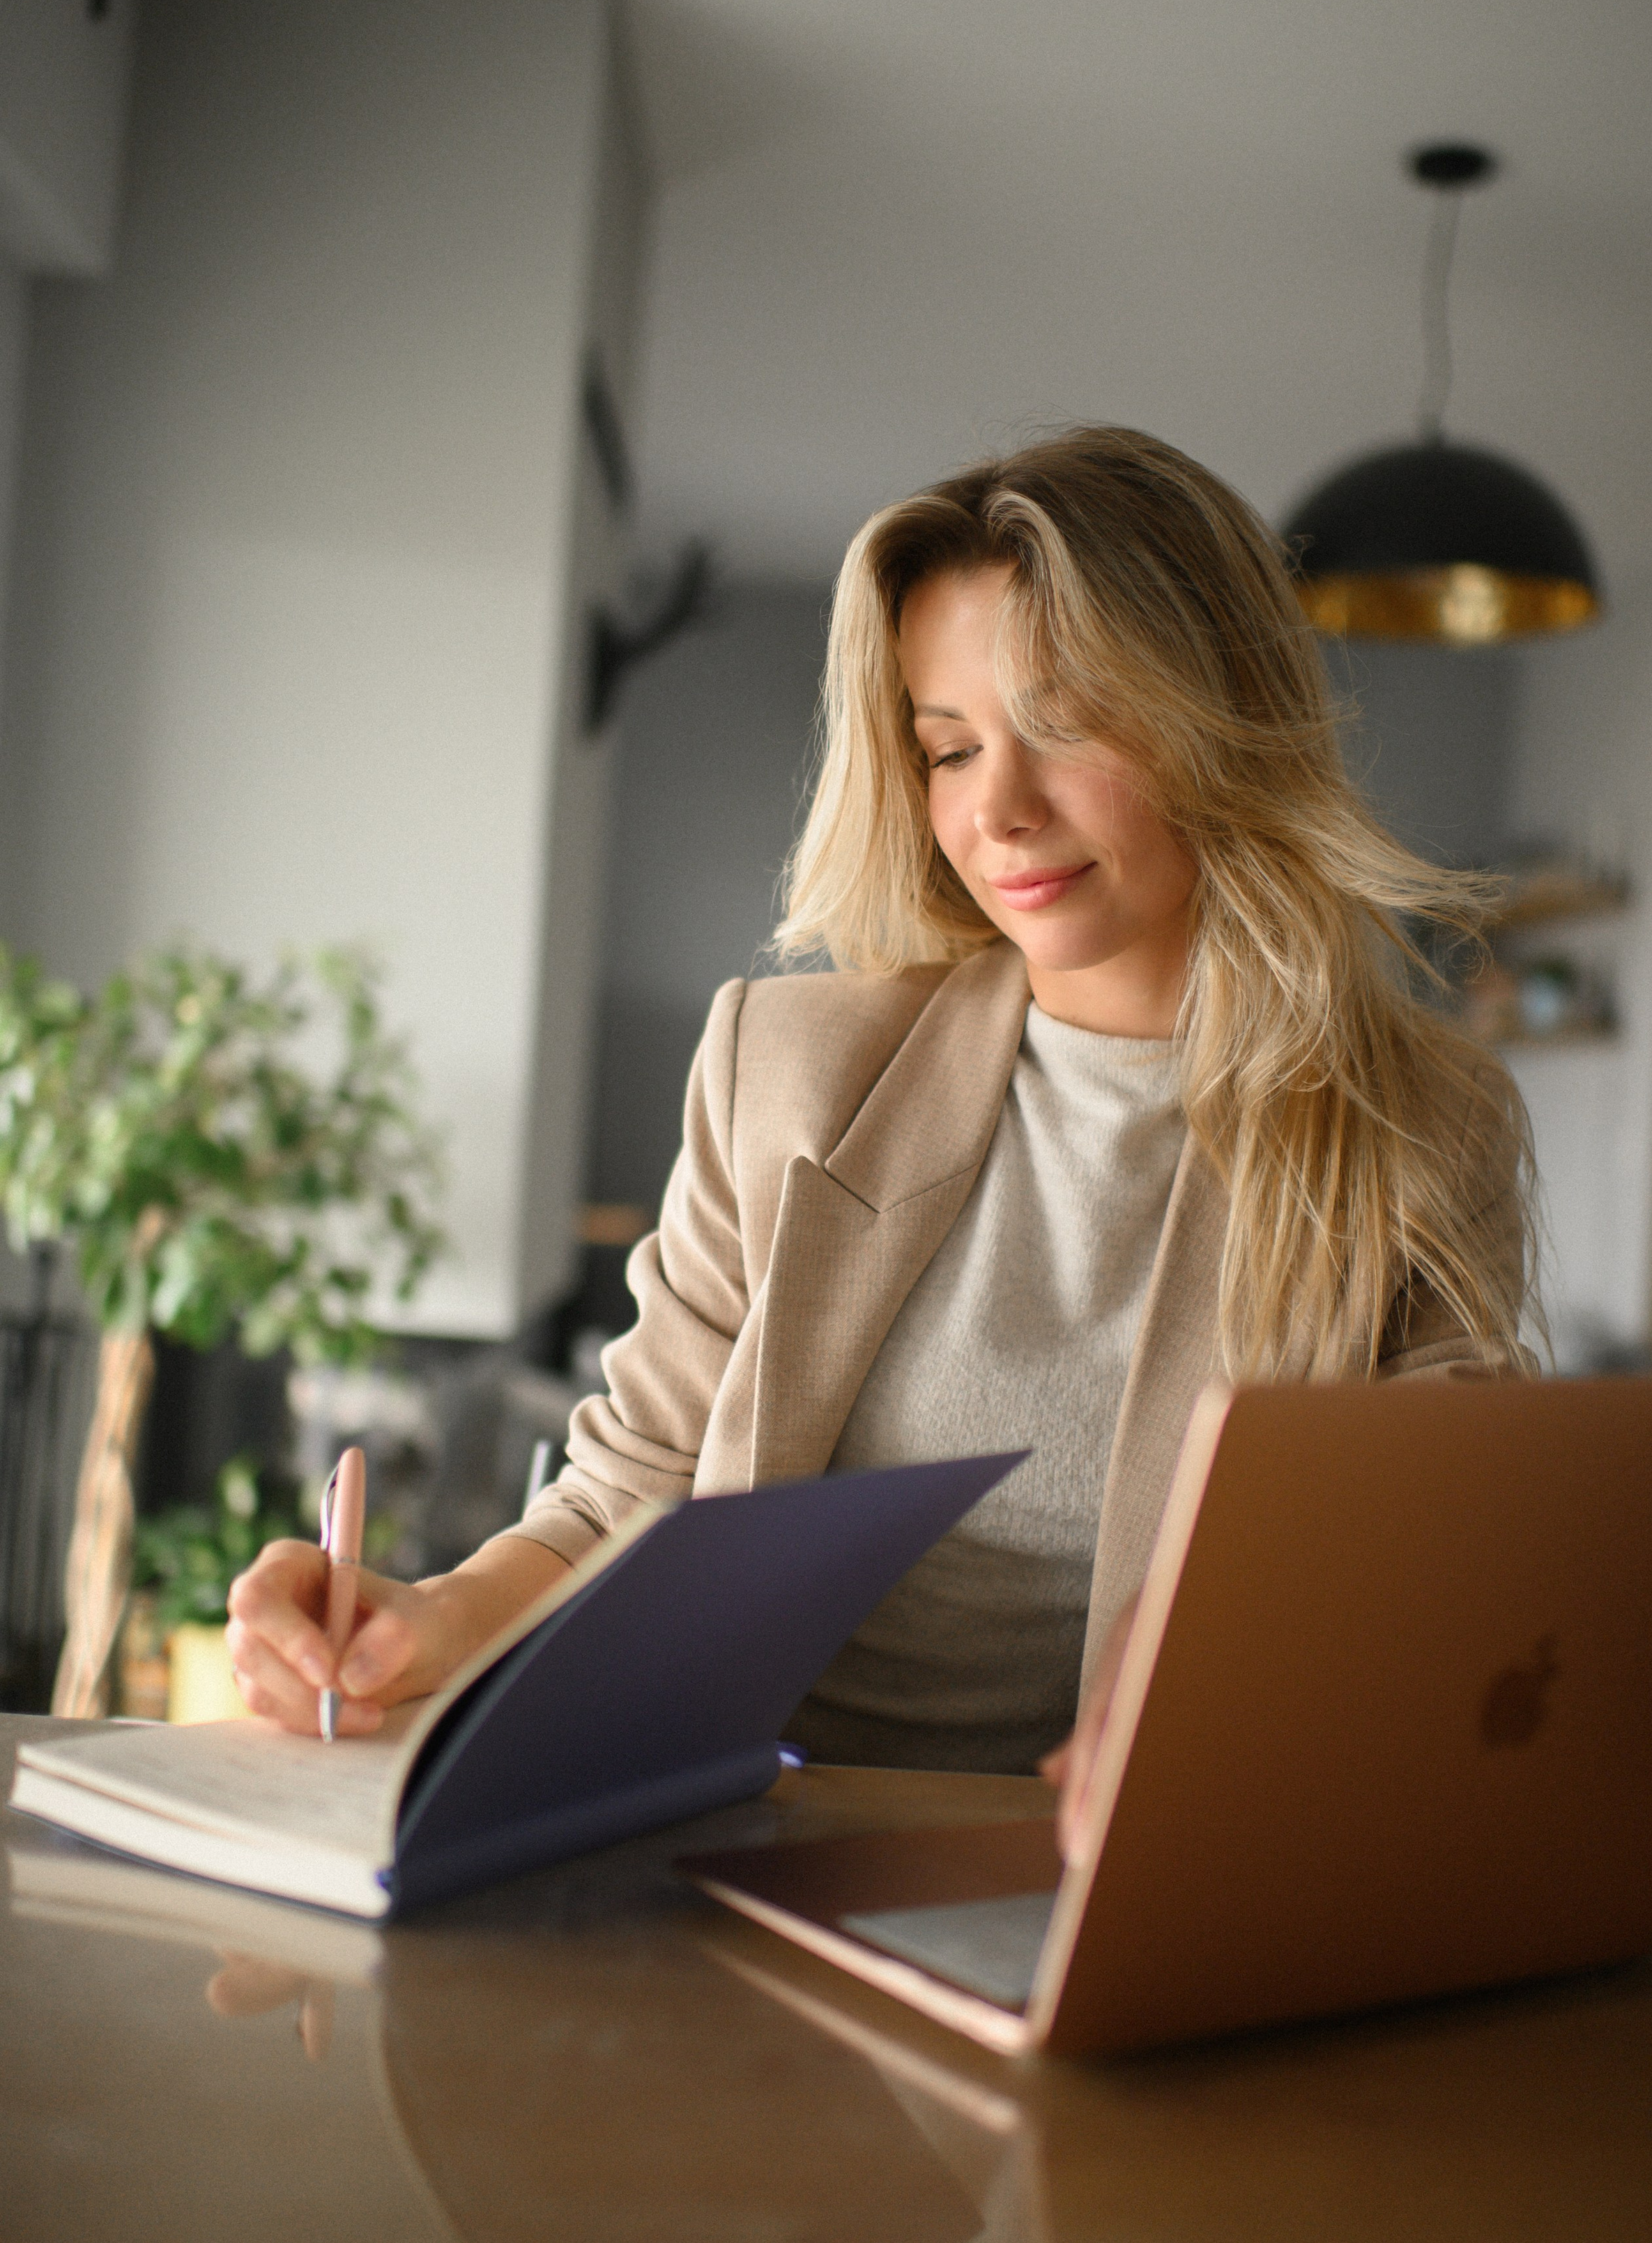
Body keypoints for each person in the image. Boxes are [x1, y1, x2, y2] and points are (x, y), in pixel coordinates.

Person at [227, 427, 1538, 1840]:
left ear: (1217, 711)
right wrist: (428, 1617)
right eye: (949, 747)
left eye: (1069, 724)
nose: (999, 811)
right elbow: (627, 1490)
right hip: (749, 1845)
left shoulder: (1416, 1129)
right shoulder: (781, 1066)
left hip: (1156, 1863)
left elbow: (1439, 1569)